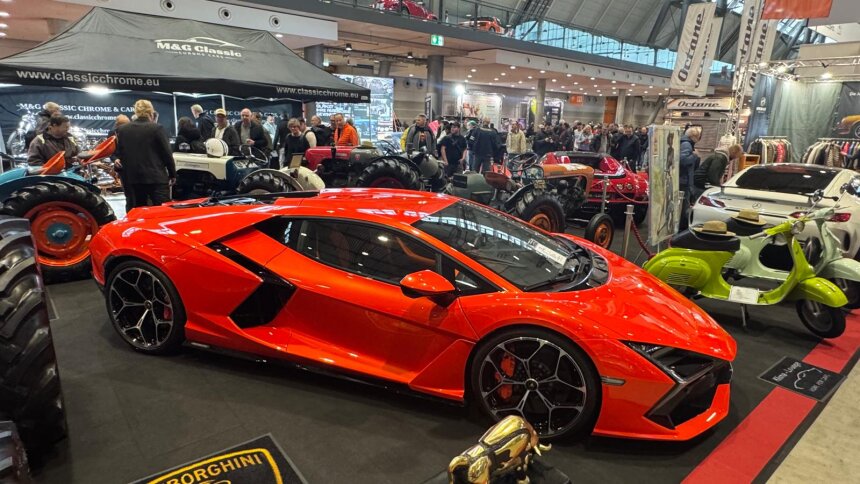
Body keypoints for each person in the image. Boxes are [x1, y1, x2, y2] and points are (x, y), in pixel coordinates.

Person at [114, 99, 175, 208]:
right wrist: (172, 174)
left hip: (133, 179)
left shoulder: (122, 130)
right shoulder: (157, 128)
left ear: (136, 111)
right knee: (162, 210)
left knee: (138, 210)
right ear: (151, 111)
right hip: (156, 177)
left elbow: (120, 154)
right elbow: (167, 153)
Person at [679, 125, 703, 201]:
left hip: (683, 178)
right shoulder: (687, 144)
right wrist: (695, 155)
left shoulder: (685, 143)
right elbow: (683, 160)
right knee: (684, 203)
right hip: (684, 179)